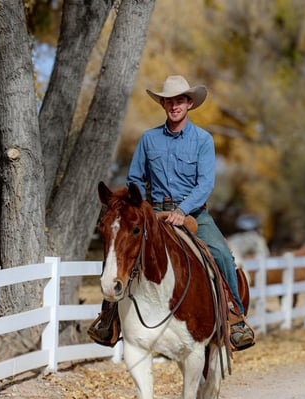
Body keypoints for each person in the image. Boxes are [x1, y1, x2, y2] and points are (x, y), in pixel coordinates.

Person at [89, 74, 256, 351]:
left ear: (189, 103)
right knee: (122, 247)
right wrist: (140, 209)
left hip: (193, 214)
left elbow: (205, 184)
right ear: (163, 104)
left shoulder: (203, 140)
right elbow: (135, 179)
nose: (174, 105)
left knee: (222, 254)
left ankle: (234, 317)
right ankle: (108, 318)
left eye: (180, 100)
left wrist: (182, 210)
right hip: (154, 214)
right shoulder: (149, 139)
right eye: (169, 101)